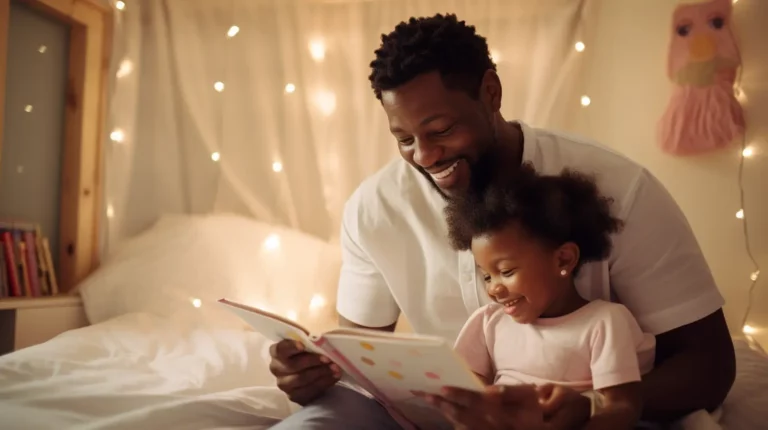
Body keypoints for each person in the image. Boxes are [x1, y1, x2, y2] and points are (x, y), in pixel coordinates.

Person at [268, 13, 735, 430]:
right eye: (405, 138)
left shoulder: (619, 190)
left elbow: (710, 364)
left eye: (442, 130)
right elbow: (362, 360)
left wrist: (584, 407)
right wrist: (315, 376)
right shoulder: (374, 208)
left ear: (490, 92)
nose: (425, 156)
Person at [419, 162, 656, 430]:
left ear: (563, 259)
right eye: (486, 275)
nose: (494, 289)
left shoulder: (604, 322)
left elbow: (623, 407)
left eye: (506, 271)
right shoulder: (488, 322)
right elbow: (465, 394)